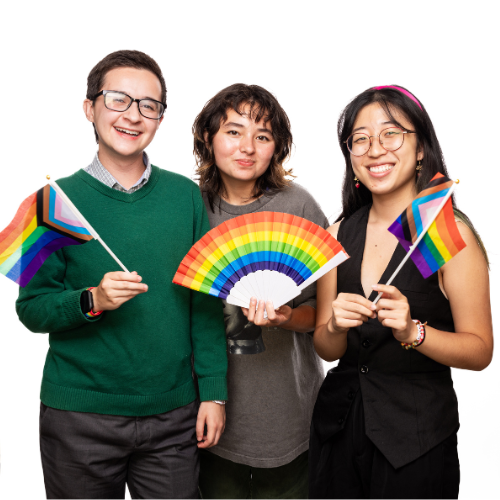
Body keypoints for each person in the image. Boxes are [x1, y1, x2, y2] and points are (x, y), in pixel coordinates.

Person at [16, 50, 228, 499]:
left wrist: (213, 391)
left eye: (148, 105)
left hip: (173, 414)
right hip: (79, 418)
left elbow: (205, 300)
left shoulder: (186, 197)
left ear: (159, 118)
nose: (133, 115)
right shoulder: (53, 204)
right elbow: (32, 309)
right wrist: (91, 300)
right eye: (118, 100)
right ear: (90, 107)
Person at [309, 85, 493, 499]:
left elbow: (480, 350)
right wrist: (336, 325)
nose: (375, 149)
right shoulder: (337, 236)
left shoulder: (443, 234)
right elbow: (326, 347)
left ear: (421, 149)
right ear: (350, 157)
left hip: (417, 440)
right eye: (361, 139)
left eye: (391, 134)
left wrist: (415, 333)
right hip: (338, 430)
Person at [193, 83, 328, 499]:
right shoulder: (190, 207)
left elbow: (323, 319)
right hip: (209, 421)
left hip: (291, 422)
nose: (247, 146)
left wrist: (288, 316)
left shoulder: (299, 206)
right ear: (208, 138)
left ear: (277, 148)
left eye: (263, 136)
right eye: (233, 131)